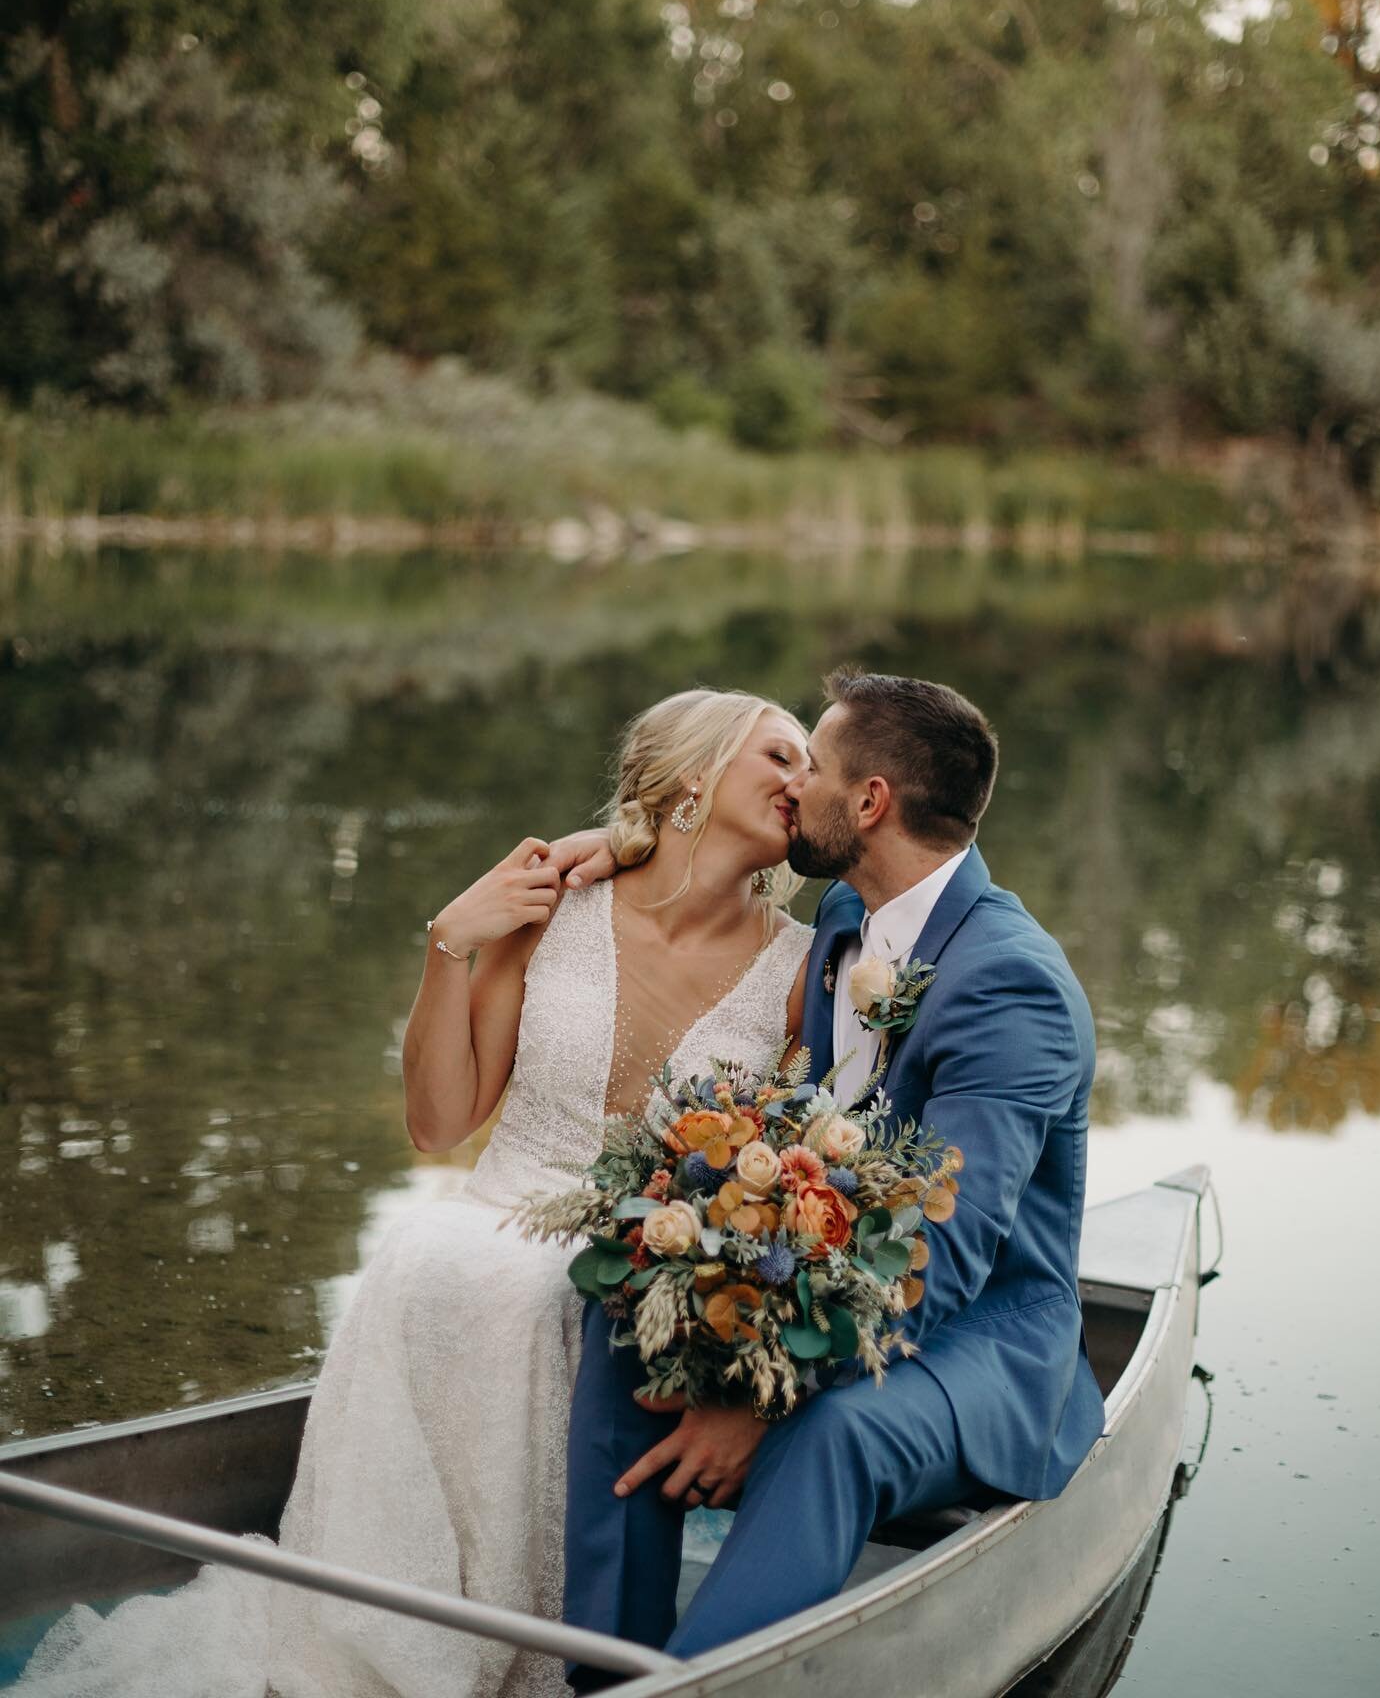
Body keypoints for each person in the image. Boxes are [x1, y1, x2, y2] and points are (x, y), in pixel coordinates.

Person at [14, 689, 813, 1698]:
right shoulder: (557, 904)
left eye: (810, 767)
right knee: (428, 1254)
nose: (801, 782)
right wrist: (450, 941)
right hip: (505, 1198)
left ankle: (531, 1639)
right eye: (779, 756)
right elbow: (439, 1125)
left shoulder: (798, 971)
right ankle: (398, 1634)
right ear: (695, 771)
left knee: (543, 1294)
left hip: (651, 1244)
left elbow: (786, 1167)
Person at [560, 669, 1105, 1674]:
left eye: (811, 765)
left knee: (835, 1435)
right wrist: (629, 848)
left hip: (977, 1340)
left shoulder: (1011, 987)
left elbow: (945, 1254)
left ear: (869, 803)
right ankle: (607, 1663)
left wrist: (761, 1396)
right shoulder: (848, 927)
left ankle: (702, 1690)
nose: (792, 786)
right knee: (625, 1318)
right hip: (825, 1288)